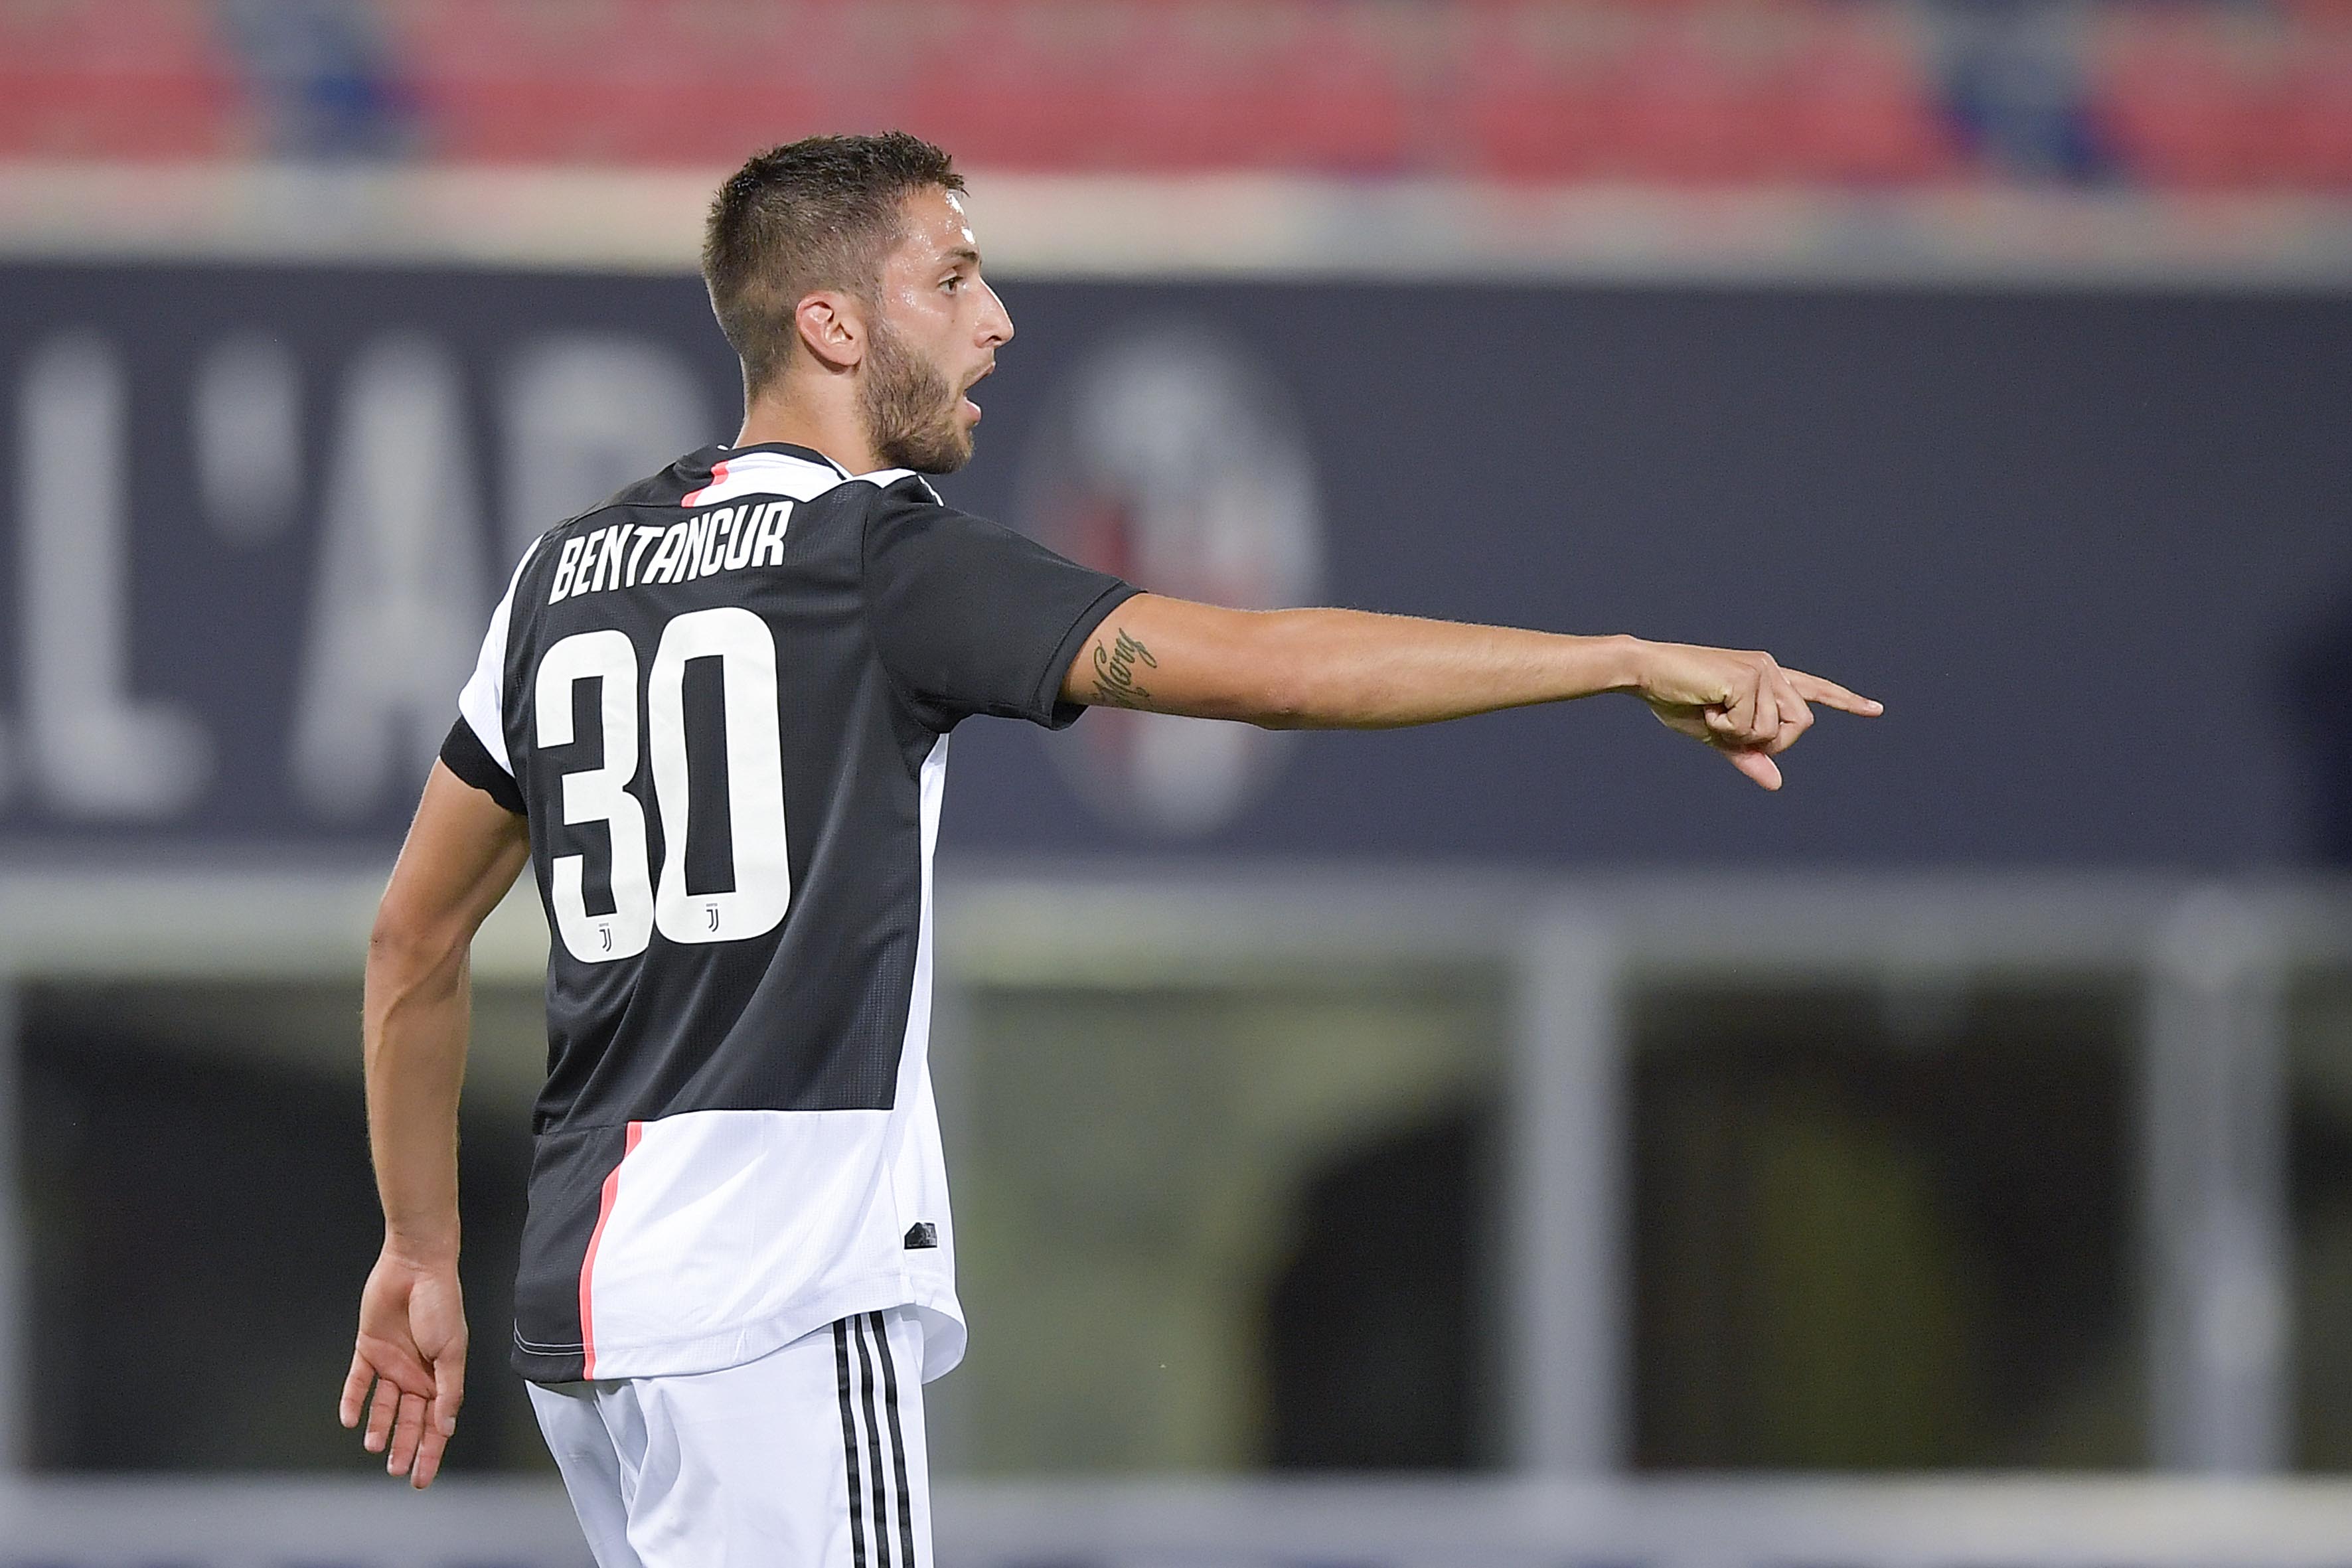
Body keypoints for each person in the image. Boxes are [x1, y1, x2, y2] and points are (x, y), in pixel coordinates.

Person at [337, 131, 1880, 1563]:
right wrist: (1612, 657)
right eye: (950, 278)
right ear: (830, 324)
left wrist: (418, 1244)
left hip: (589, 1321)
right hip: (771, 1297)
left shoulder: (563, 578)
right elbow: (1272, 670)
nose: (994, 319)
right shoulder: (876, 557)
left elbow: (413, 934)